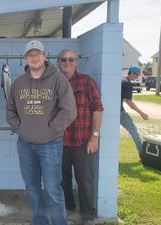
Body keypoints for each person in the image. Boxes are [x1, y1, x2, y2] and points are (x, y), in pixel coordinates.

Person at [7, 40, 77, 225]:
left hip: (51, 144)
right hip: (25, 144)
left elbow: (69, 110)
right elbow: (10, 110)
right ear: (25, 58)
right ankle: (40, 221)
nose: (35, 58)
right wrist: (19, 129)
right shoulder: (18, 83)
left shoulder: (58, 79)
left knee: (53, 189)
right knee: (32, 187)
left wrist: (52, 130)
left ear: (44, 56)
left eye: (38, 54)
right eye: (31, 54)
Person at [57, 49, 104, 225]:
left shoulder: (87, 82)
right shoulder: (53, 83)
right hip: (58, 142)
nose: (67, 62)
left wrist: (95, 136)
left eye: (71, 59)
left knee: (85, 180)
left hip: (82, 141)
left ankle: (87, 215)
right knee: (62, 179)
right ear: (58, 62)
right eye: (63, 60)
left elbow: (98, 109)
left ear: (76, 62)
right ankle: (68, 208)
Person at [121, 65, 149, 158]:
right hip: (120, 113)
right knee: (133, 131)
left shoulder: (121, 80)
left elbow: (122, 97)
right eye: (137, 75)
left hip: (111, 112)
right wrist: (142, 113)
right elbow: (129, 102)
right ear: (132, 73)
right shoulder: (127, 83)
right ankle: (142, 154)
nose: (137, 77)